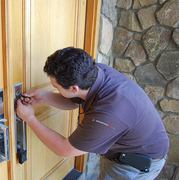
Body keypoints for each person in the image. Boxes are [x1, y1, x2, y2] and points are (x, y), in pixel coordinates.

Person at [16, 47, 169, 179]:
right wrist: (43, 96)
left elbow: (65, 149)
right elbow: (75, 100)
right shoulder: (94, 72)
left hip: (134, 165)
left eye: (56, 87)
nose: (55, 89)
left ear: (74, 88)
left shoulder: (109, 112)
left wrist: (30, 118)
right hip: (125, 149)